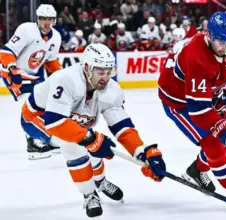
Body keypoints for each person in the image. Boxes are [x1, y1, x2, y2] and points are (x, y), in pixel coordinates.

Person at [20, 44, 166, 218]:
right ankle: (89, 194)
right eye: (100, 72)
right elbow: (55, 121)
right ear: (87, 68)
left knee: (92, 142)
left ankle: (100, 181)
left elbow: (121, 126)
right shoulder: (66, 80)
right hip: (38, 118)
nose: (105, 78)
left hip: (70, 120)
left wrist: (142, 152)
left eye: (108, 72)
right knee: (74, 145)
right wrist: (91, 139)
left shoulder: (111, 89)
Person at [158, 11, 226, 205]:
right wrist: (221, 127)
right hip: (180, 102)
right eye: (221, 43)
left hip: (208, 96)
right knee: (213, 143)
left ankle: (197, 170)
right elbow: (199, 110)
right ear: (209, 37)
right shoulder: (196, 58)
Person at [0, 4, 62, 159]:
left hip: (33, 74)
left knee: (46, 103)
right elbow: (7, 51)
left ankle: (41, 136)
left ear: (54, 20)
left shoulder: (56, 37)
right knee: (31, 105)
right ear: (38, 19)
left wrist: (63, 76)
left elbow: (50, 61)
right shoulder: (26, 30)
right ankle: (33, 141)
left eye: (49, 19)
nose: (46, 22)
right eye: (43, 18)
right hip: (13, 72)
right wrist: (13, 69)